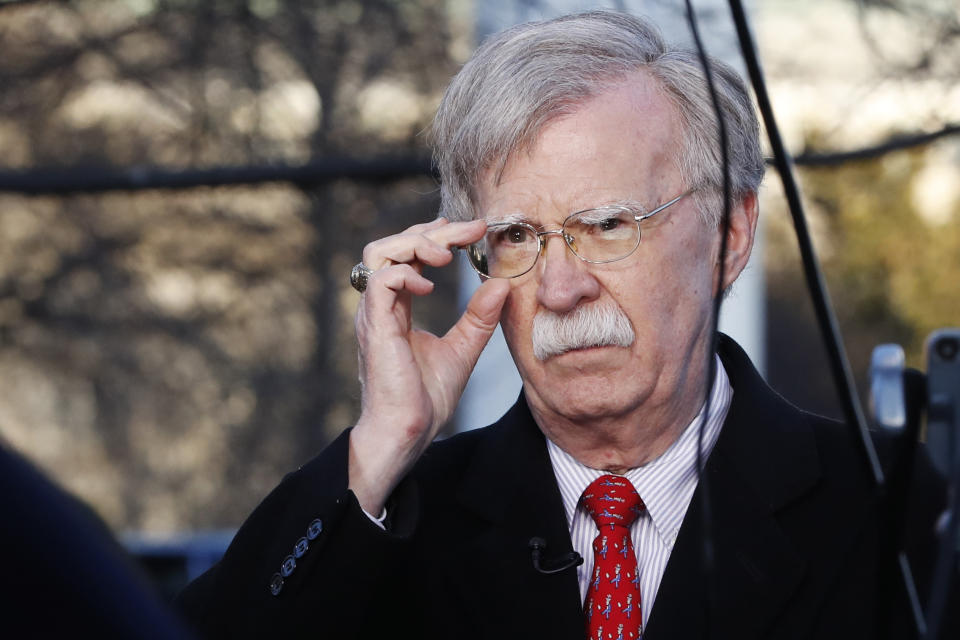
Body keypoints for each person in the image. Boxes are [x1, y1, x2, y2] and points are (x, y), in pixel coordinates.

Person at [176, 10, 955, 639]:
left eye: (609, 224)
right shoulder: (385, 526)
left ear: (730, 235)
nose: (559, 287)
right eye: (516, 236)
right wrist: (379, 448)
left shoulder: (903, 510)